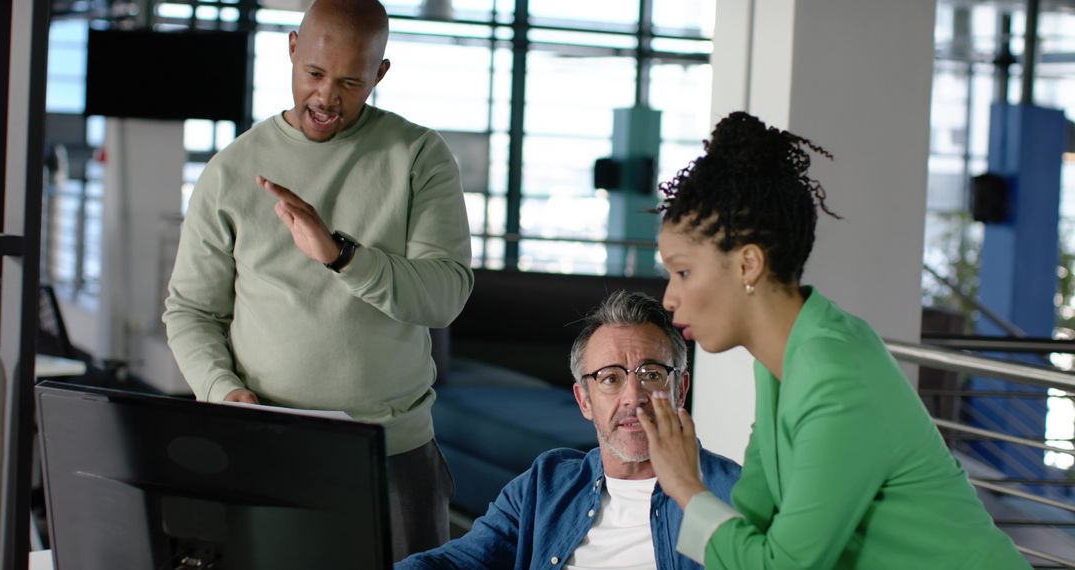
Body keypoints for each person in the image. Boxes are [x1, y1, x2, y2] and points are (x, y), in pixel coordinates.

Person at [637, 111, 1030, 569]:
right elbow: (754, 514)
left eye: (683, 272)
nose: (669, 297)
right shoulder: (784, 361)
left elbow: (781, 566)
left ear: (747, 265)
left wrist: (685, 484)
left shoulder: (833, 373)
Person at [162, 0, 473, 559]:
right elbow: (191, 311)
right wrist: (220, 392)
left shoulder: (420, 156)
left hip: (393, 455)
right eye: (314, 73)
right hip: (266, 447)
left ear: (380, 74)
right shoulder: (230, 171)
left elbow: (444, 296)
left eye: (351, 82)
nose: (327, 97)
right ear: (290, 49)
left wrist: (341, 256)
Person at [397, 291, 741, 570]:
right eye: (610, 379)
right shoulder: (547, 483)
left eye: (651, 375)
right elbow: (460, 562)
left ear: (680, 389)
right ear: (585, 400)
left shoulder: (733, 492)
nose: (633, 397)